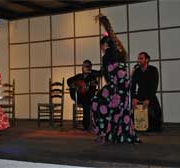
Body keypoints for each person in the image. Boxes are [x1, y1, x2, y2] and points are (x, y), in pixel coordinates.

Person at [91, 15, 140, 144]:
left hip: (117, 86)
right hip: (123, 86)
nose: (101, 49)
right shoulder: (121, 52)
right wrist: (105, 23)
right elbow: (103, 72)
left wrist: (105, 22)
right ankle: (112, 134)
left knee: (97, 103)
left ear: (105, 45)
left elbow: (102, 72)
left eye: (101, 46)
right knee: (118, 110)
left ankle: (103, 133)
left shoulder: (109, 54)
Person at [131, 52, 162, 132]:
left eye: (141, 58)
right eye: (138, 58)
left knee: (155, 116)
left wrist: (148, 99)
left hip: (150, 94)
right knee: (133, 116)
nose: (139, 60)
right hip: (140, 94)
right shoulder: (136, 71)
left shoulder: (153, 70)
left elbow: (154, 86)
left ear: (147, 60)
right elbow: (133, 86)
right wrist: (133, 98)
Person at [67, 60, 100, 131]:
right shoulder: (79, 76)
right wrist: (76, 83)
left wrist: (87, 87)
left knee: (87, 103)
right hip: (78, 97)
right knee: (85, 102)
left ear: (89, 67)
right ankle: (86, 125)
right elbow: (68, 80)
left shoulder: (92, 77)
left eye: (85, 66)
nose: (83, 67)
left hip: (88, 97)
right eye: (83, 66)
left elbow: (93, 88)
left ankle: (86, 125)